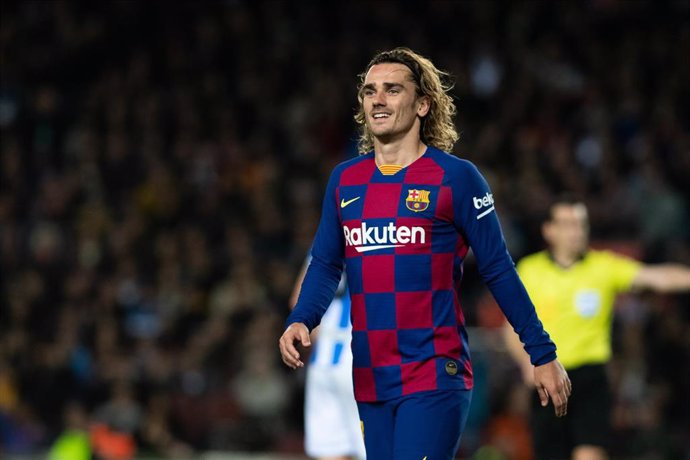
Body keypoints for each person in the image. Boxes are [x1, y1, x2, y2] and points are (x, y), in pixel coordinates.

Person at [278, 47, 571, 459]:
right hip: (370, 376)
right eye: (369, 91)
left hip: (434, 372)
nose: (378, 99)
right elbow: (327, 264)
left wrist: (541, 353)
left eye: (392, 90)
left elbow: (499, 270)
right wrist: (301, 319)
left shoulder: (456, 178)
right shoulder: (345, 181)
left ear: (422, 105)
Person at [503, 196, 690, 460]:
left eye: (581, 224)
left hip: (591, 378)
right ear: (549, 230)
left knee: (590, 455)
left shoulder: (603, 267)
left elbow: (658, 278)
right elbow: (510, 328)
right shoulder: (530, 271)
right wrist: (525, 363)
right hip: (547, 376)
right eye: (567, 224)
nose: (576, 231)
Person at [290, 258, 366, 460]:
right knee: (374, 450)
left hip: (323, 361)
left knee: (330, 452)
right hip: (362, 358)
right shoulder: (384, 233)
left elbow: (298, 301)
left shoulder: (326, 240)